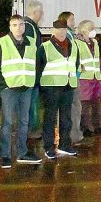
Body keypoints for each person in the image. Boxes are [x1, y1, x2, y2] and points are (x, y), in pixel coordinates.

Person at [0, 14, 41, 168]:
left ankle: (22, 152)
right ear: (10, 27)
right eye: (15, 25)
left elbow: (37, 64)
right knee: (7, 122)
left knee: (24, 121)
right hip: (9, 89)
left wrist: (33, 81)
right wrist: (2, 84)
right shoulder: (2, 42)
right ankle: (5, 155)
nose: (18, 28)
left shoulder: (31, 43)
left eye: (21, 25)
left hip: (26, 88)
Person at [37, 18, 79, 158]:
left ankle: (65, 145)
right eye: (59, 29)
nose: (62, 32)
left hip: (68, 85)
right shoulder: (46, 46)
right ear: (53, 31)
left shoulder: (73, 45)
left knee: (66, 117)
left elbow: (76, 63)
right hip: (51, 87)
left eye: (64, 29)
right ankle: (49, 147)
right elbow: (39, 67)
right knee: (50, 117)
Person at [56, 12, 84, 147]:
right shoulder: (64, 38)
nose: (74, 22)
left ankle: (72, 135)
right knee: (71, 108)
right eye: (72, 20)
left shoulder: (70, 37)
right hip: (68, 79)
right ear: (65, 21)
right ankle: (71, 137)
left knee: (72, 108)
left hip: (71, 78)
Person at [75, 20, 101, 137]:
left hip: (95, 78)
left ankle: (97, 126)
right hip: (84, 78)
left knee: (96, 104)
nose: (94, 30)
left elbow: (98, 61)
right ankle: (85, 128)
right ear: (84, 30)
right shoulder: (77, 43)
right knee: (85, 106)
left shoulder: (95, 43)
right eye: (92, 28)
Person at [23, 0, 44, 147]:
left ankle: (31, 130)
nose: (42, 15)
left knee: (31, 103)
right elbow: (32, 51)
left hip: (30, 73)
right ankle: (32, 130)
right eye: (41, 12)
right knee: (32, 104)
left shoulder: (28, 26)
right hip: (32, 73)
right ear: (36, 13)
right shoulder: (30, 27)